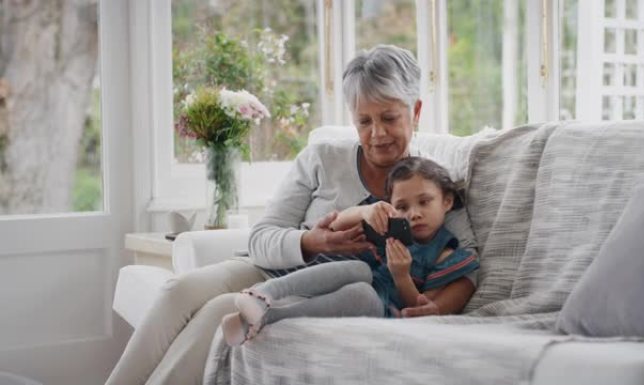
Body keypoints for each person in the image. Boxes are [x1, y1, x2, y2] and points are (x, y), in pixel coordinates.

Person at [105, 44, 478, 385]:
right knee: (178, 290)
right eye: (364, 121)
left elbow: (465, 259)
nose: (377, 133)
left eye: (389, 118)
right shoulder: (322, 159)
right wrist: (309, 240)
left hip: (325, 288)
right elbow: (261, 237)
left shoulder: (428, 185)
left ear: (415, 111)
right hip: (269, 269)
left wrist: (435, 304)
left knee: (215, 312)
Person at [222, 157, 479, 345]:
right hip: (345, 282)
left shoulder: (450, 257)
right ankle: (261, 294)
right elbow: (337, 223)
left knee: (363, 294)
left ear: (446, 200)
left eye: (424, 202)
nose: (414, 214)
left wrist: (401, 276)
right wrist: (366, 211)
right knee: (359, 268)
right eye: (402, 206)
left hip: (381, 307)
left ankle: (266, 318)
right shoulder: (389, 228)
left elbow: (421, 309)